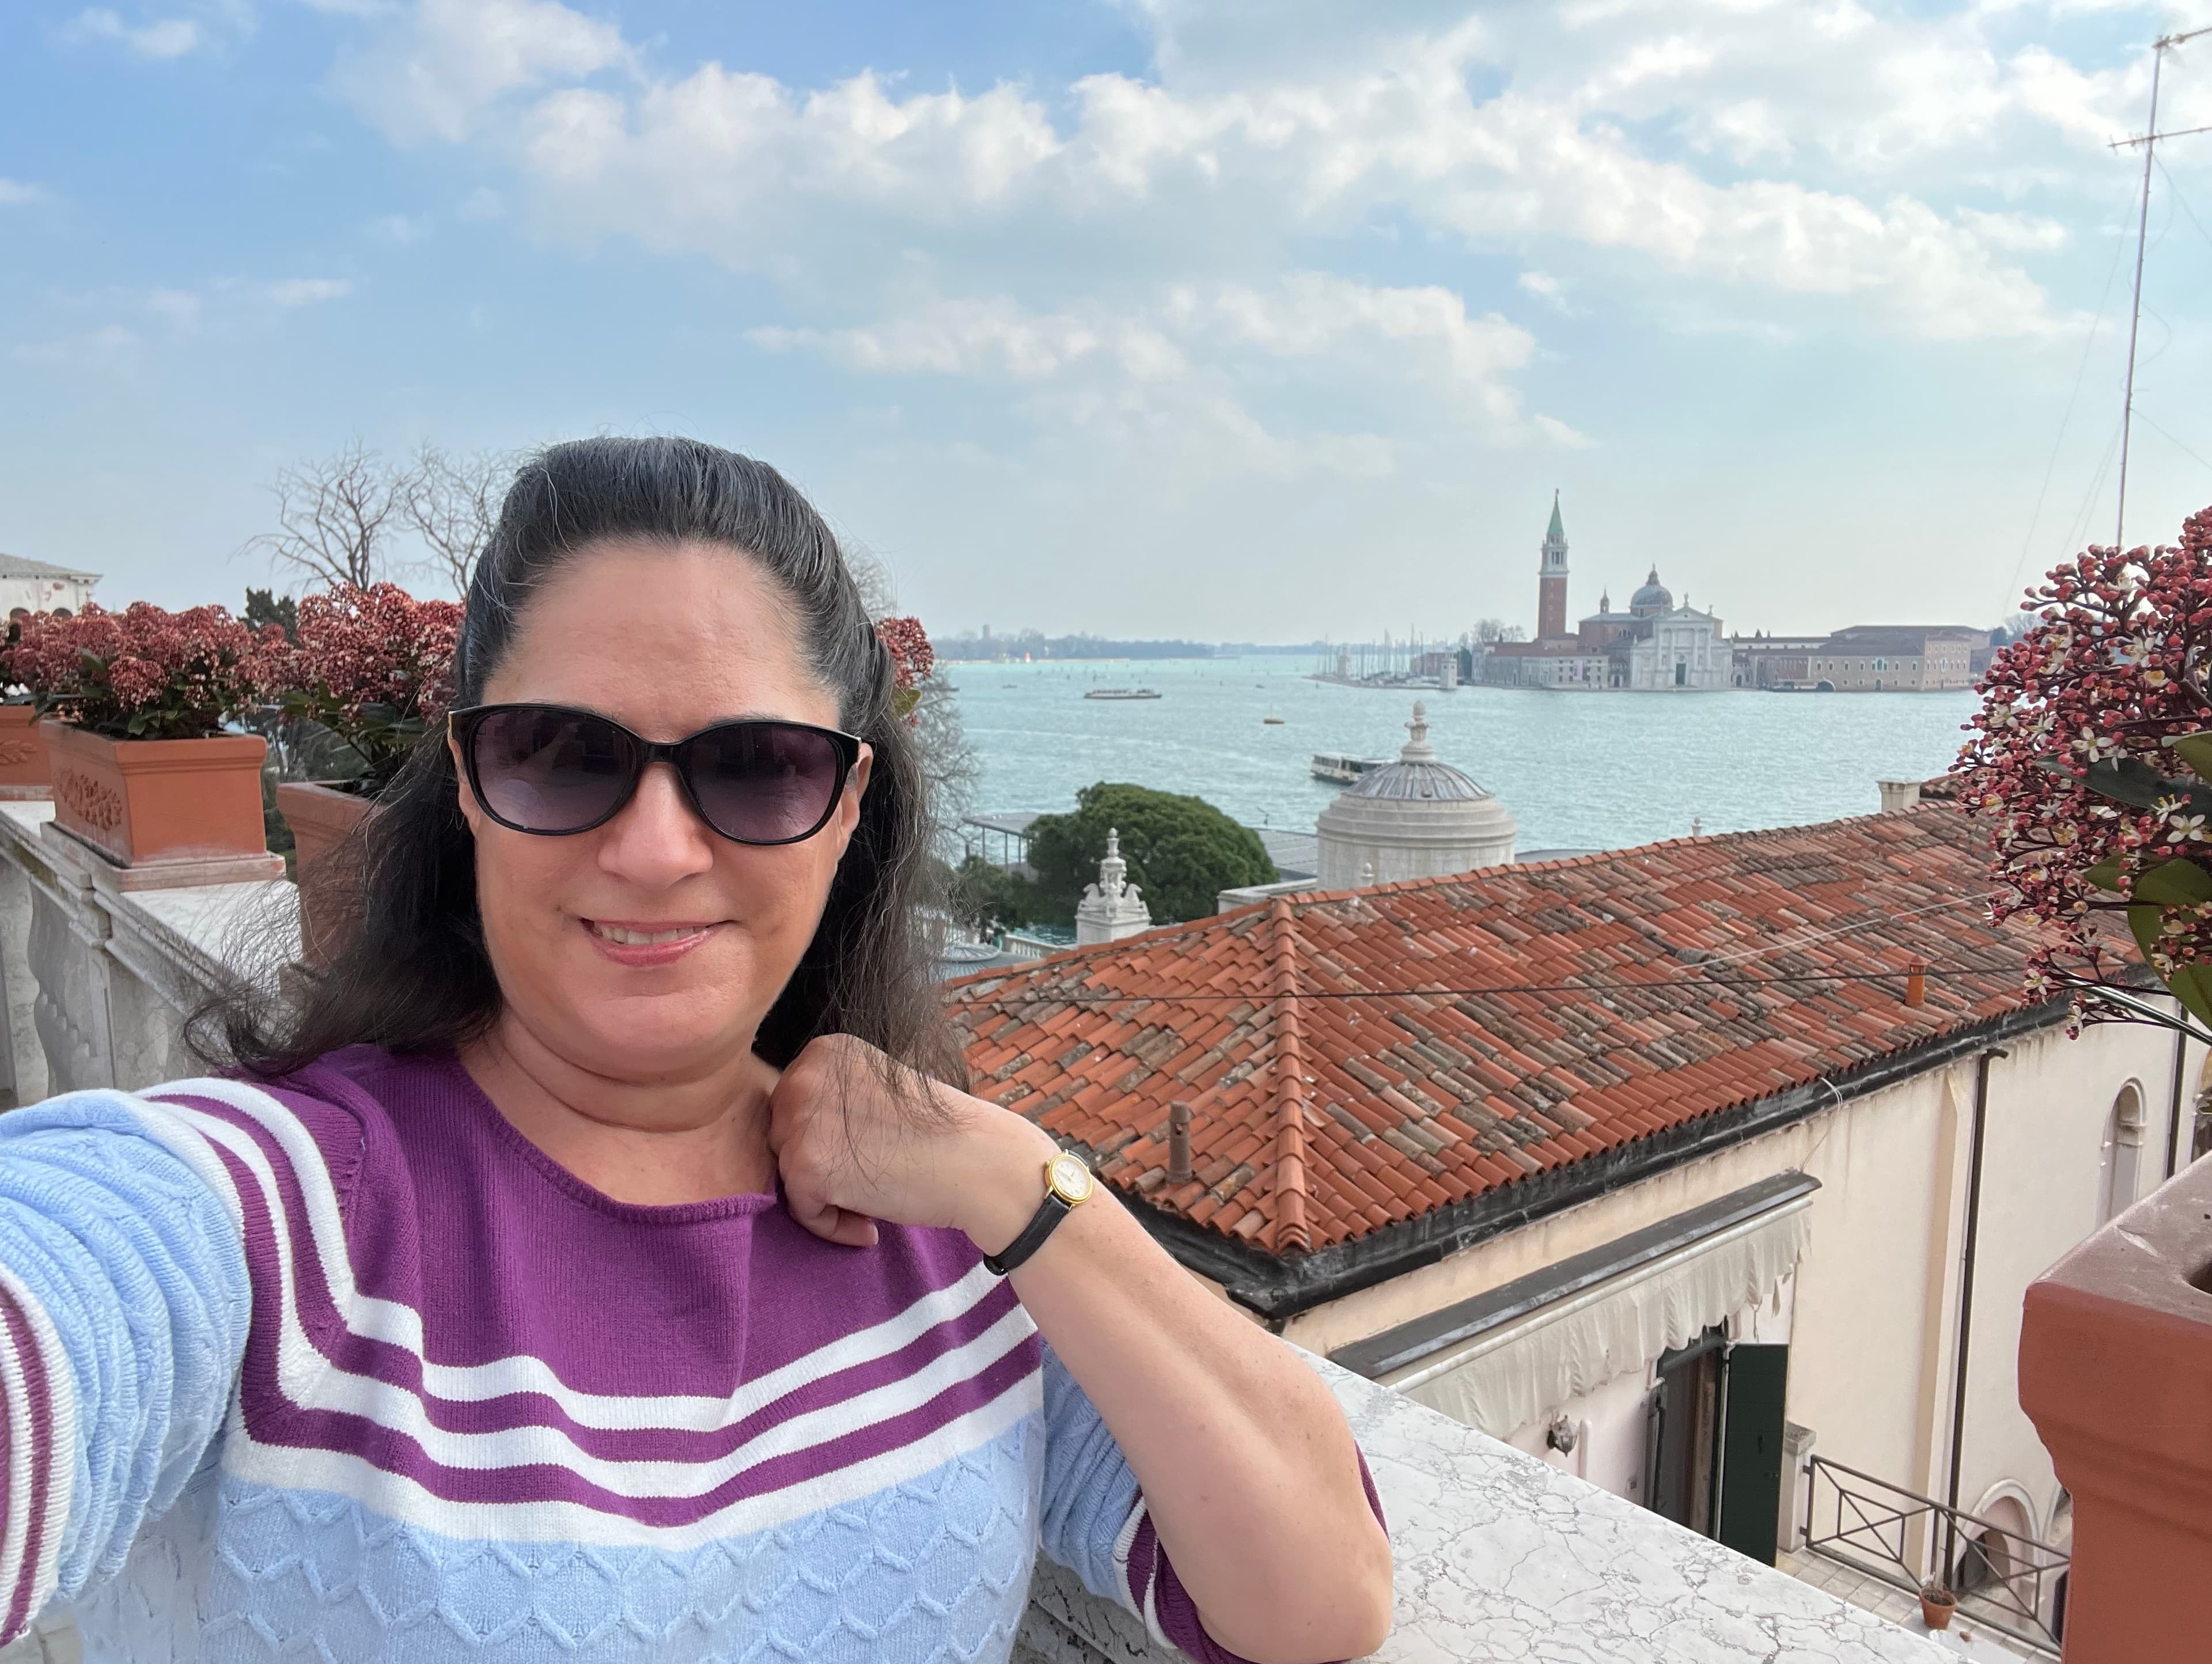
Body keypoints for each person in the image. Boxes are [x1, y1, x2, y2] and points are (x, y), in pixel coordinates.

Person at [0, 438, 1392, 1663]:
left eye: (756, 765)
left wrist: (1023, 1179)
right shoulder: (277, 1216)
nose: (658, 850)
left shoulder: (956, 1251)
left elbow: (1314, 1596)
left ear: (848, 806)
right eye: (561, 752)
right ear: (472, 787)